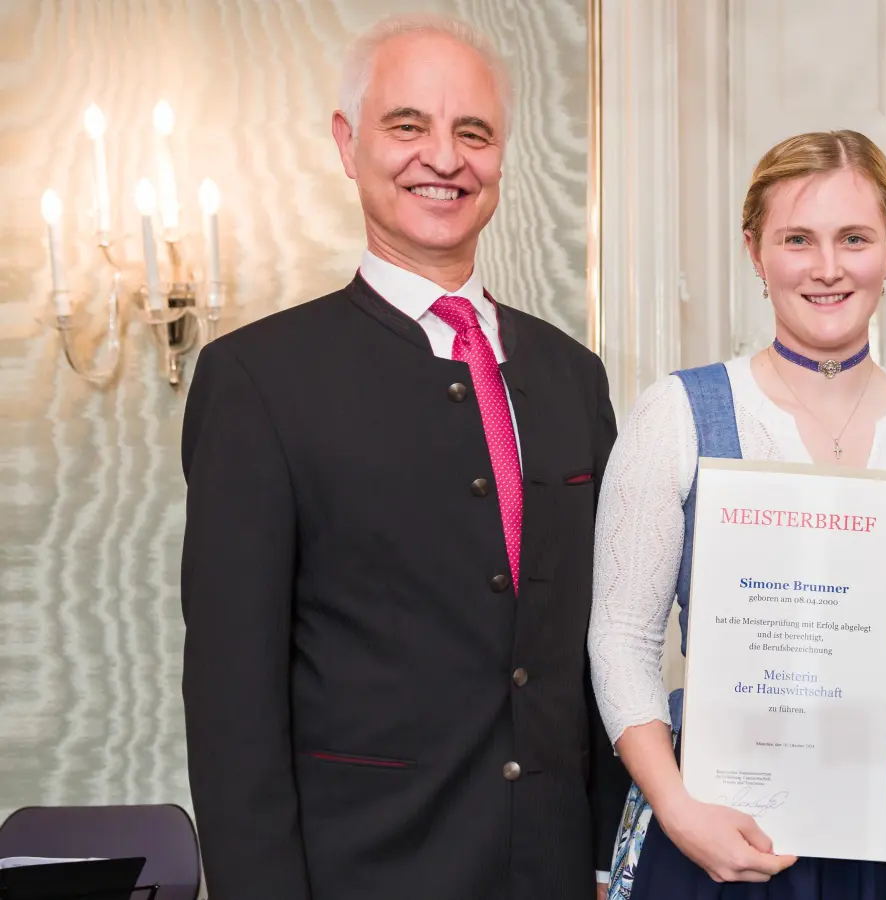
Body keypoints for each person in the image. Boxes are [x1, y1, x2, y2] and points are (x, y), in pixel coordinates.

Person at [180, 14, 626, 900]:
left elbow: (605, 646)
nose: (444, 158)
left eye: (474, 132)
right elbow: (233, 699)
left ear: (502, 158)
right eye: (408, 125)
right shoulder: (257, 380)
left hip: (557, 871)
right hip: (363, 873)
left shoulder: (572, 374)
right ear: (348, 146)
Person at [589, 130, 886, 899]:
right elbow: (620, 639)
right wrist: (677, 811)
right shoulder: (676, 417)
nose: (827, 267)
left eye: (854, 238)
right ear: (755, 251)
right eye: (796, 239)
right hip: (722, 830)